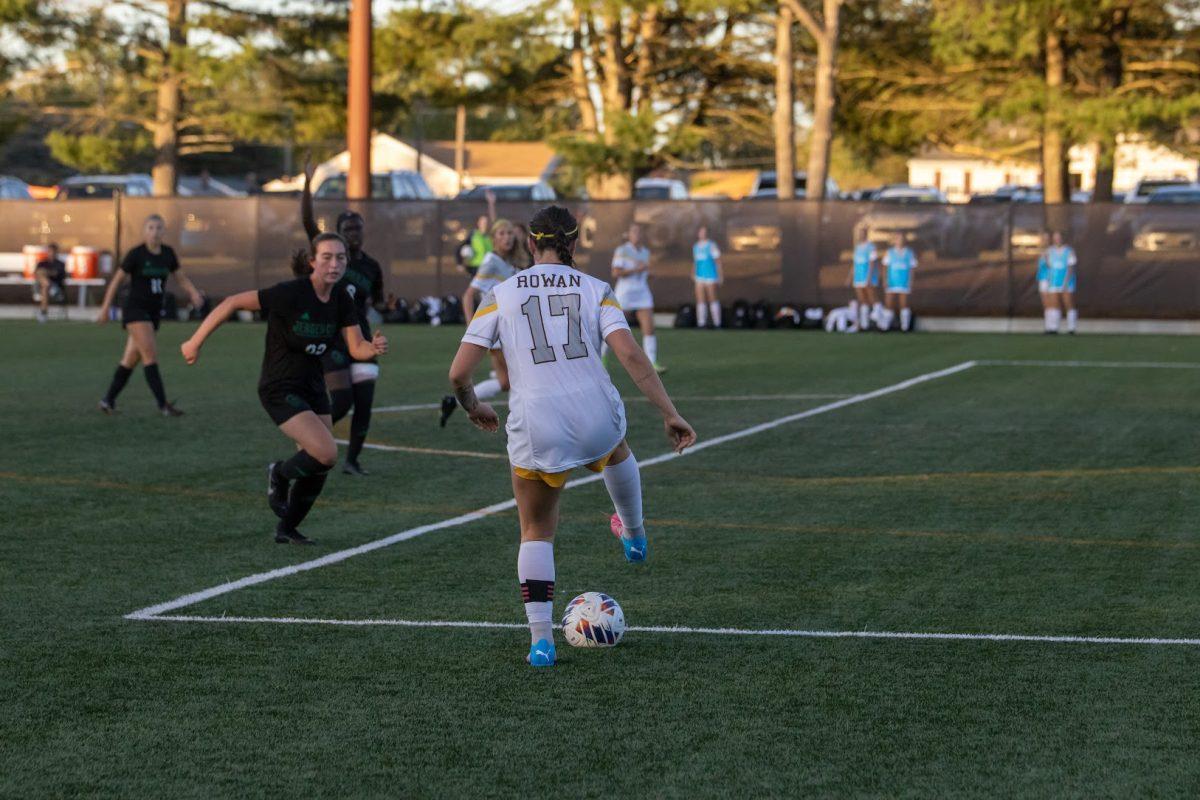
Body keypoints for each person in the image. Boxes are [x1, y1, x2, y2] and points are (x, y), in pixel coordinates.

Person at [448, 205, 696, 668]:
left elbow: (460, 372)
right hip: (595, 410)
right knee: (616, 449)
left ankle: (541, 642)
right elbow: (632, 358)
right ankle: (635, 534)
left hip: (536, 421)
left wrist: (472, 404)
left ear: (529, 242)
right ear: (575, 242)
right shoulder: (596, 289)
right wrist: (670, 414)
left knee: (537, 529)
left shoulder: (501, 292)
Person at [180, 233, 388, 544]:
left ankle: (287, 529)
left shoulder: (343, 298)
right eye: (327, 257)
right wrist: (194, 342)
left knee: (318, 465)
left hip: (314, 386)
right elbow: (232, 302)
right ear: (312, 262)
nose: (335, 263)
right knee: (326, 452)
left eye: (341, 257)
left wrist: (372, 349)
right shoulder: (290, 293)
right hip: (280, 386)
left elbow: (355, 347)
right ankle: (278, 472)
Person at [302, 163, 385, 475]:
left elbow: (376, 301)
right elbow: (308, 221)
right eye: (348, 229)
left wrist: (386, 304)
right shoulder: (331, 259)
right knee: (341, 401)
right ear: (337, 233)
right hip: (332, 337)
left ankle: (352, 461)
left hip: (361, 338)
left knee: (363, 403)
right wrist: (309, 184)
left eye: (357, 228)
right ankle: (308, 435)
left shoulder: (371, 267)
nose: (354, 234)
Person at [96, 214, 203, 416]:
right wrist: (105, 308)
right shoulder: (136, 254)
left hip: (153, 313)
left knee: (130, 360)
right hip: (136, 310)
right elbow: (116, 281)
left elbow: (180, 278)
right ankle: (163, 405)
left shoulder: (168, 254)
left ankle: (107, 401)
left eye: (158, 228)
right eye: (151, 228)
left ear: (164, 232)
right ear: (145, 231)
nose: (155, 232)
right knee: (150, 355)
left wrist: (193, 293)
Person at [440, 217, 522, 427]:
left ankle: (455, 402)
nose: (507, 237)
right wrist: (472, 329)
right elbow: (468, 295)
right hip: (497, 332)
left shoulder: (508, 262)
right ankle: (520, 426)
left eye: (510, 233)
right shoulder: (491, 261)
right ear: (493, 239)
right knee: (518, 380)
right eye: (501, 233)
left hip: (507, 330)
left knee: (505, 382)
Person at [605, 223, 664, 371]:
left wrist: (649, 275)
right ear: (629, 235)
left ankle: (652, 363)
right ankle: (601, 358)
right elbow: (616, 272)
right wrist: (636, 269)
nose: (637, 234)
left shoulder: (645, 252)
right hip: (625, 293)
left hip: (642, 293)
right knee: (613, 328)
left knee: (649, 328)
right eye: (634, 231)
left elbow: (643, 272)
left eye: (639, 232)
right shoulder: (622, 250)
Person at [1041, 230, 1078, 334]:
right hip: (1053, 281)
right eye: (1055, 237)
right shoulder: (1049, 251)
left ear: (1062, 238)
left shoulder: (1069, 251)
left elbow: (1071, 267)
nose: (1057, 239)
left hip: (1067, 282)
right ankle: (1053, 328)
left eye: (1059, 237)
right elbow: (1047, 266)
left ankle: (1072, 328)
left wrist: (1066, 282)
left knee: (1068, 303)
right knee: (1054, 304)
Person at [882, 233, 917, 332]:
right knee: (888, 303)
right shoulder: (889, 252)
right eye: (897, 239)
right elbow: (885, 267)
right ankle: (885, 326)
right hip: (892, 281)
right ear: (894, 240)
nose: (899, 241)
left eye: (901, 239)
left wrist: (911, 281)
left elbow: (912, 269)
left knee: (904, 304)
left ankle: (905, 327)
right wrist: (885, 280)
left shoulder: (910, 253)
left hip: (904, 281)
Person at [459, 190, 498, 276]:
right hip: (475, 267)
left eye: (487, 222)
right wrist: (461, 263)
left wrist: (491, 204)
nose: (485, 224)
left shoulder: (490, 234)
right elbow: (461, 248)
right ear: (478, 223)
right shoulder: (473, 235)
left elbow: (493, 220)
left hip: (488, 266)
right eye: (483, 222)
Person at [849, 229, 881, 331]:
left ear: (865, 234)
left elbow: (872, 263)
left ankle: (882, 324)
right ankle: (864, 325)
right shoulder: (857, 248)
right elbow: (855, 264)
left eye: (861, 234)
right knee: (863, 301)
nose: (859, 235)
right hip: (858, 278)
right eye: (858, 234)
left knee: (872, 299)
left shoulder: (871, 247)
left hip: (868, 278)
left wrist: (869, 278)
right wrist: (850, 277)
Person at [692, 226, 722, 328]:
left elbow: (718, 261)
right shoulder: (695, 247)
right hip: (699, 276)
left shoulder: (712, 245)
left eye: (704, 232)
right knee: (700, 300)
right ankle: (701, 323)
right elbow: (695, 262)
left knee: (712, 299)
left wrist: (720, 276)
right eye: (700, 232)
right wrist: (693, 273)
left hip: (711, 275)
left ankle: (717, 323)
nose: (702, 234)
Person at [33, 243, 68, 323]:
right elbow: (36, 274)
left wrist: (45, 272)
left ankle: (43, 313)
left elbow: (57, 274)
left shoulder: (60, 264)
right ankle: (49, 287)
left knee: (44, 287)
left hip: (57, 289)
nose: (51, 253)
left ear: (56, 252)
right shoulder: (42, 263)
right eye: (50, 251)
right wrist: (46, 274)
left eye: (53, 251)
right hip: (43, 287)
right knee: (45, 285)